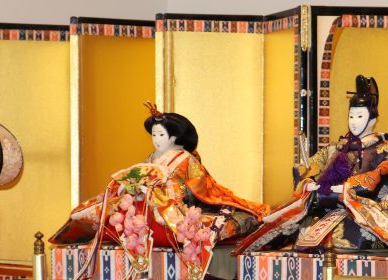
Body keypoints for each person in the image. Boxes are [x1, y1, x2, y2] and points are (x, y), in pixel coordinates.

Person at [236, 75, 388, 259]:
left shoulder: (386, 148)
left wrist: (348, 187)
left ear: (372, 118)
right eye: (351, 116)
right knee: (302, 229)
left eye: (360, 115)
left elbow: (382, 173)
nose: (354, 121)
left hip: (363, 209)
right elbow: (310, 167)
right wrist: (310, 183)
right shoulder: (336, 148)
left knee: (359, 233)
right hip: (329, 209)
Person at [51, 103, 269, 255]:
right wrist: (129, 187)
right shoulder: (152, 158)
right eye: (154, 135)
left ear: (174, 137)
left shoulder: (186, 159)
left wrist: (164, 191)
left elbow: (201, 188)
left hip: (170, 207)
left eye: (161, 135)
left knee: (196, 225)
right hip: (143, 204)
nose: (156, 139)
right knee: (106, 209)